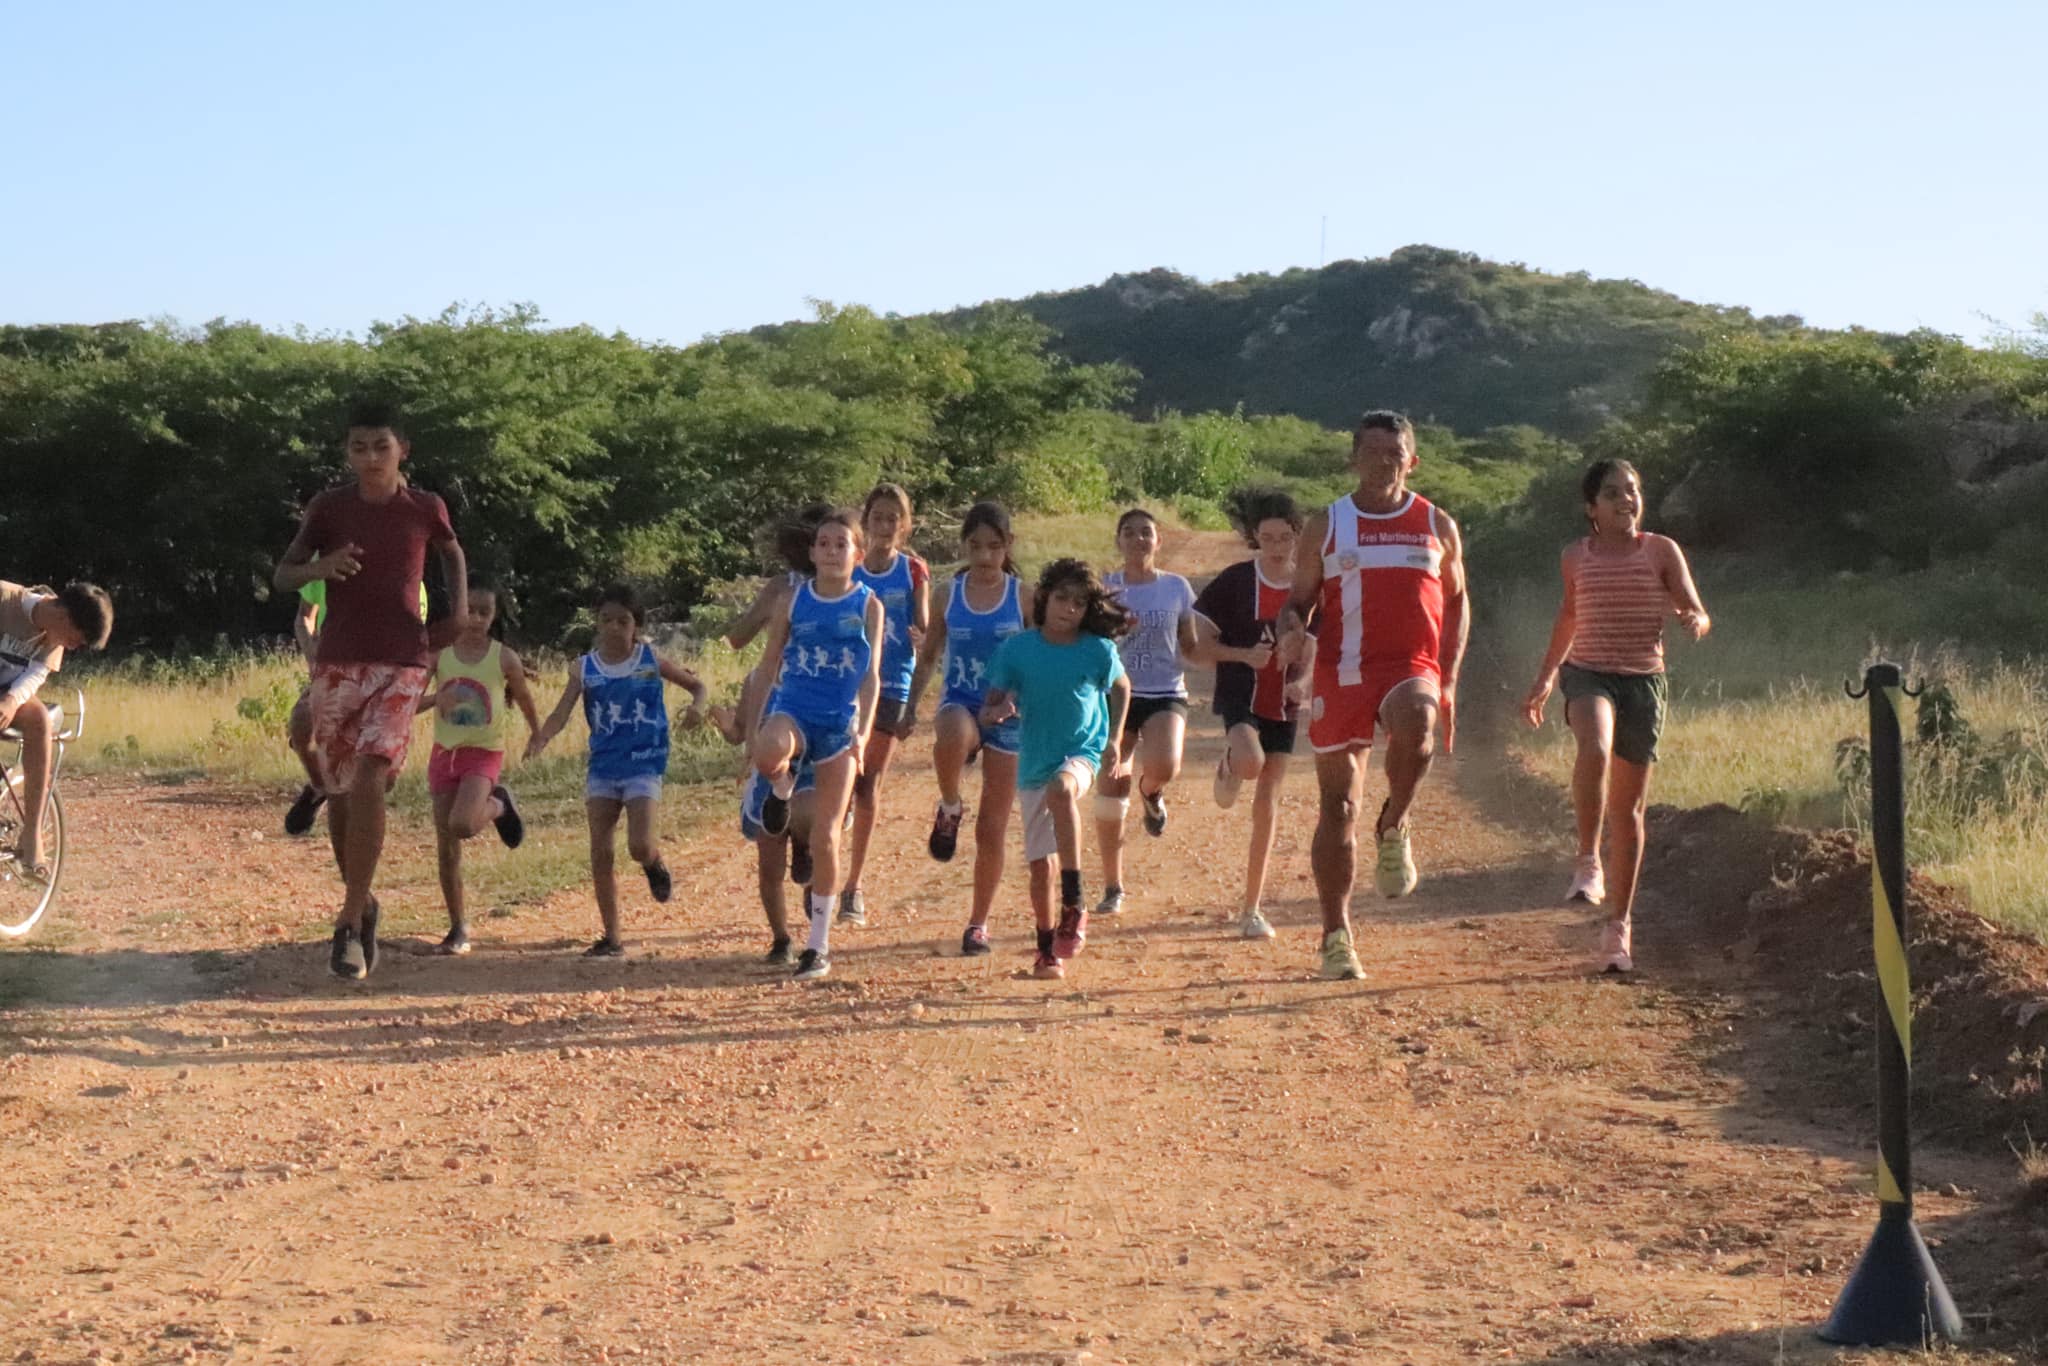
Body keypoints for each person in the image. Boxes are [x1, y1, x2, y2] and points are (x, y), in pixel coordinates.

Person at [275, 401, 467, 981]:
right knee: (339, 792)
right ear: (347, 453)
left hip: (403, 660)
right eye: (359, 447)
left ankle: (347, 921)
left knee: (369, 775)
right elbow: (284, 574)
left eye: (381, 446)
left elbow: (452, 550)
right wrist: (320, 567)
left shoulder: (424, 507)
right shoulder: (329, 507)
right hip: (338, 661)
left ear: (402, 449)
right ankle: (363, 904)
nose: (371, 458)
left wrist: (458, 615)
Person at [1279, 410, 1469, 981]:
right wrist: (1291, 631)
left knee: (1419, 722)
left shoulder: (1436, 523)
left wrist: (1449, 677)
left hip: (1411, 664)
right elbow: (1299, 601)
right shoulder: (1328, 524)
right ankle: (1336, 936)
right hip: (1343, 671)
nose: (1383, 463)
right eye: (1372, 452)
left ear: (1413, 462)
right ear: (1353, 459)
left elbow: (1457, 602)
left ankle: (1394, 823)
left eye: (1395, 453)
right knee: (1338, 808)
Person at [1520, 458, 1710, 974]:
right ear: (1592, 508)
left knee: (1628, 813)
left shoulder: (1661, 550)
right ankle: (1588, 859)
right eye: (1612, 493)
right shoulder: (1575, 556)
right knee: (1595, 746)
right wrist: (1545, 678)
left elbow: (1694, 606)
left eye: (1632, 491)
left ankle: (1618, 929)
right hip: (1589, 674)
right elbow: (1569, 616)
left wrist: (1694, 619)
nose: (1626, 500)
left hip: (1644, 684)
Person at [527, 584, 707, 957]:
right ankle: (612, 936)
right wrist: (542, 736)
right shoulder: (584, 669)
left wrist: (696, 708)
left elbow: (697, 686)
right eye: (606, 620)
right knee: (600, 851)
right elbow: (562, 711)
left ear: (635, 625)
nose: (613, 628)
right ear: (597, 623)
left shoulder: (650, 659)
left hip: (644, 761)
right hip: (603, 765)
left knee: (639, 844)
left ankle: (653, 863)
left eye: (622, 621)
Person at [751, 510, 885, 982]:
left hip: (839, 726)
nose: (831, 551)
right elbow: (768, 665)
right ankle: (781, 788)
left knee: (827, 836)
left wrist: (862, 734)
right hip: (793, 710)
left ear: (858, 555)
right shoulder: (793, 600)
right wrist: (752, 728)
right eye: (823, 544)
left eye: (841, 544)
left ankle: (818, 945)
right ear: (811, 552)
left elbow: (871, 677)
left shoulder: (868, 605)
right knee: (768, 753)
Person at [982, 559, 1132, 981]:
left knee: (1062, 790)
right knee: (1038, 866)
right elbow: (987, 708)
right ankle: (1047, 948)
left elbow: (1122, 687)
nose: (1069, 608)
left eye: (1079, 603)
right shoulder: (1017, 650)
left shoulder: (1097, 650)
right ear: (1044, 598)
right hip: (1035, 759)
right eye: (1062, 598)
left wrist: (1115, 739)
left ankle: (1074, 900)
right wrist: (997, 712)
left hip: (1082, 750)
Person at [906, 501, 1031, 956]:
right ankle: (950, 804)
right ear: (964, 545)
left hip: (1009, 714)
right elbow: (929, 656)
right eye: (975, 546)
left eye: (993, 547)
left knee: (992, 828)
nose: (984, 556)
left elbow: (1040, 655)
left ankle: (978, 923)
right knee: (954, 735)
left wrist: (1018, 700)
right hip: (959, 699)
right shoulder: (948, 594)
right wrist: (909, 707)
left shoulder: (1024, 597)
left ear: (1008, 546)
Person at [1190, 487, 1312, 941]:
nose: (1276, 547)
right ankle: (1231, 762)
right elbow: (1200, 645)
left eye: (1285, 538)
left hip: (1285, 703)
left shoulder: (1307, 587)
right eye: (1267, 538)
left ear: (1297, 537)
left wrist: (1304, 682)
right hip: (1241, 694)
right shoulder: (1235, 581)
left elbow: (1317, 643)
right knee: (1250, 762)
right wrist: (1244, 655)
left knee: (1267, 803)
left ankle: (1252, 908)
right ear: (1254, 538)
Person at [419, 582, 542, 955]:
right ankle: (458, 927)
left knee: (462, 824)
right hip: (445, 755)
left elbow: (524, 697)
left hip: (484, 753)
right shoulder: (439, 657)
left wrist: (537, 735)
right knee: (447, 847)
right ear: (457, 611)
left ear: (494, 617)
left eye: (483, 612)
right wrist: (436, 698)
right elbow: (409, 702)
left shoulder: (504, 658)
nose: (474, 619)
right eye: (469, 610)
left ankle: (499, 804)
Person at [1095, 508, 1198, 918]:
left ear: (1158, 540)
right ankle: (1112, 886)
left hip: (1164, 691)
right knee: (1110, 791)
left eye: (1146, 532)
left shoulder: (1176, 587)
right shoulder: (1105, 588)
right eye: (1130, 532)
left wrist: (1235, 657)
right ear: (1118, 541)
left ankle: (1151, 792)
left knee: (1165, 766)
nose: (1138, 539)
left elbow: (1191, 644)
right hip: (1114, 694)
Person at [838, 484, 930, 928]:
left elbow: (925, 627)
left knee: (868, 782)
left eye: (894, 518)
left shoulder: (913, 569)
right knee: (839, 781)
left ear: (905, 525)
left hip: (893, 685)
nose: (886, 525)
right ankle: (824, 872)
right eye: (878, 517)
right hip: (845, 685)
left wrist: (921, 636)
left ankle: (853, 887)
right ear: (866, 521)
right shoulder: (850, 566)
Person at [284, 576, 428, 837]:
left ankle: (354, 819)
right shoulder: (327, 562)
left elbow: (413, 640)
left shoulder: (407, 574)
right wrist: (316, 660)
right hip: (337, 670)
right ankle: (320, 787)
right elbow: (304, 617)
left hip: (383, 677)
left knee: (381, 777)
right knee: (302, 724)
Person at [0, 581, 114, 876]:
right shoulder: (5, 600)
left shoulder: (55, 641)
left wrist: (11, 701)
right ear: (63, 616)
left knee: (38, 717)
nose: (73, 647)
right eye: (75, 640)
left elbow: (35, 676)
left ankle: (32, 834)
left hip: (8, 693)